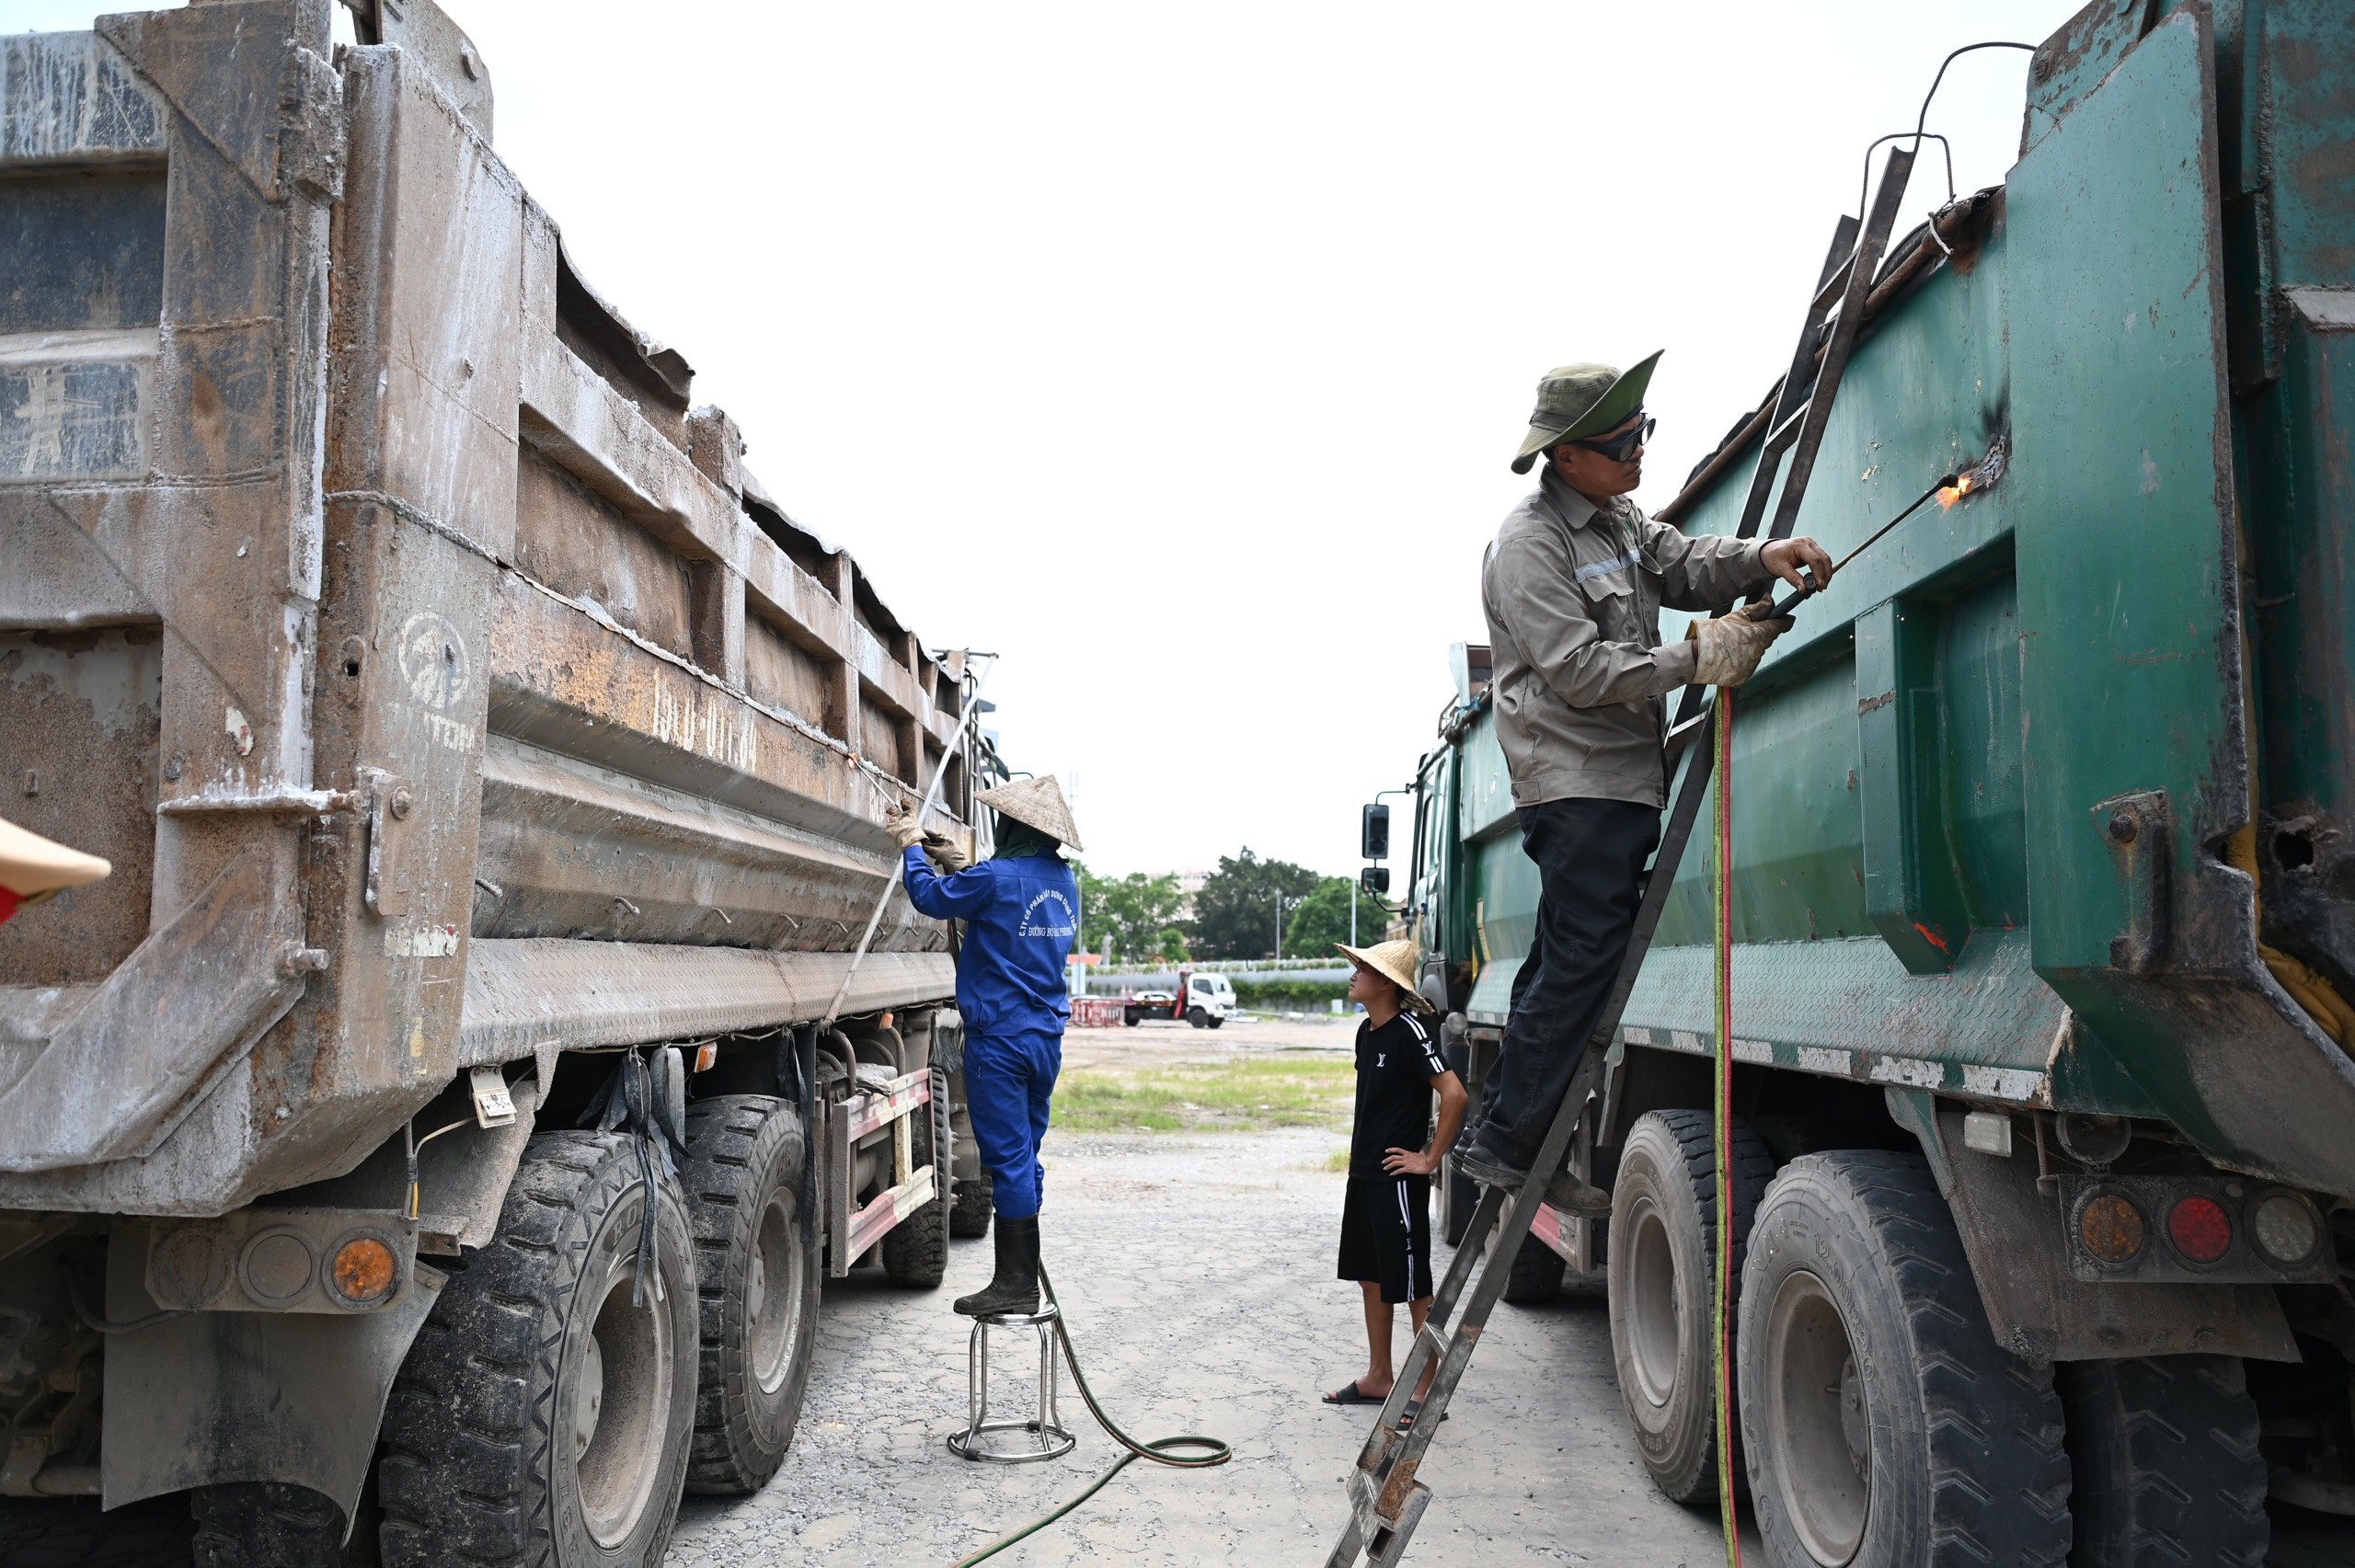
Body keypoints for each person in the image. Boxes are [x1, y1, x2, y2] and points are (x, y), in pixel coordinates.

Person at [1460, 354, 1834, 1212]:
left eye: (1644, 432)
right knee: (1583, 958)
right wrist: (1698, 655)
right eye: (1622, 440)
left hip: (1619, 777)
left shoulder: (1618, 518)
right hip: (1577, 780)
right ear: (1563, 455)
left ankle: (1513, 1139)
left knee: (1564, 957)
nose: (1639, 452)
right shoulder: (1529, 545)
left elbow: (1684, 562)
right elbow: (1581, 670)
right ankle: (1514, 1141)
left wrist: (1763, 556)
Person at [890, 774, 1082, 1317]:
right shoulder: (1063, 881)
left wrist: (911, 847)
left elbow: (930, 898)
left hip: (1001, 1038)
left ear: (1013, 824)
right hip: (1045, 1037)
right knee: (1026, 1152)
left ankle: (1016, 1283)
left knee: (1008, 1158)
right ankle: (1022, 1267)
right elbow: (1005, 911)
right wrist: (959, 863)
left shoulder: (997, 878)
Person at [1323, 939, 1468, 1430]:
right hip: (1363, 1176)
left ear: (1386, 983)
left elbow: (1455, 1095)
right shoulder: (1367, 1032)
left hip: (1397, 1181)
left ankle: (1425, 1389)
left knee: (1412, 1284)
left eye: (1362, 968)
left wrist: (1429, 1159)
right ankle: (1380, 1377)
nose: (1353, 974)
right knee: (1372, 1276)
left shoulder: (1411, 1030)